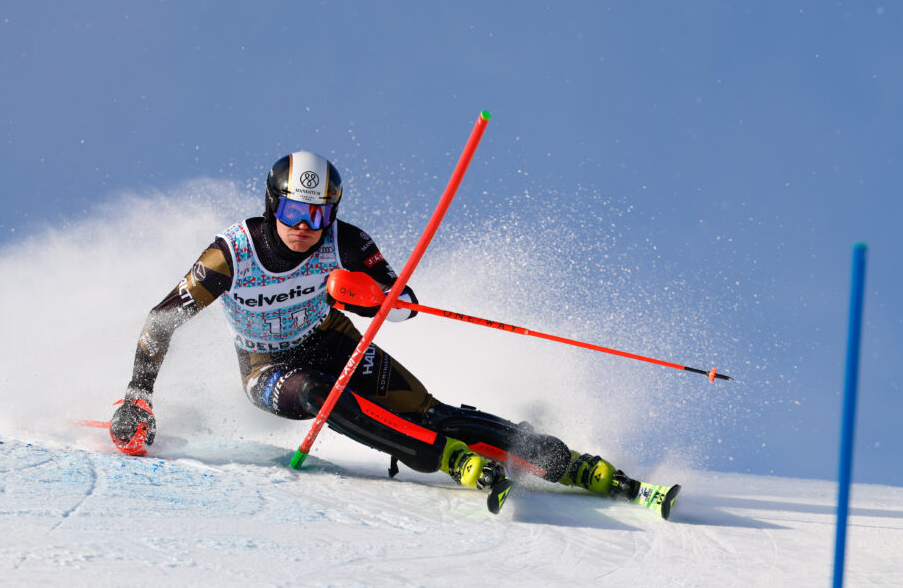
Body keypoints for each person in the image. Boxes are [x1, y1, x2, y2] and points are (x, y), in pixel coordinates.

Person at [110, 151, 654, 510]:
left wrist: (372, 298)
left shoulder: (345, 241)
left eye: (318, 215)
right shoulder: (232, 253)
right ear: (274, 203)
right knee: (323, 396)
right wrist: (139, 394)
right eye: (295, 212)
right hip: (267, 366)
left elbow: (405, 304)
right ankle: (445, 458)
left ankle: (566, 462)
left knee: (429, 411)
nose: (305, 228)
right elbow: (162, 319)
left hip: (334, 339)